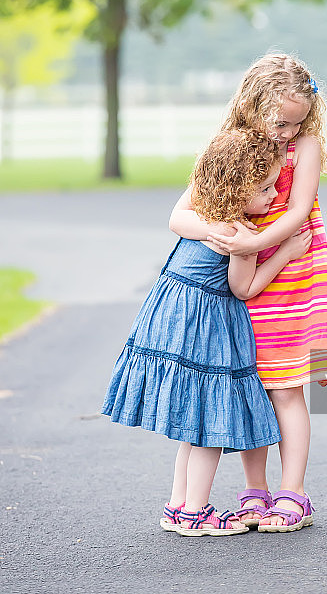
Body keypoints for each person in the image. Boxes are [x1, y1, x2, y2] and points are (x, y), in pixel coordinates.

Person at [101, 128, 312, 537]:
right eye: (265, 188)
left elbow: (176, 225)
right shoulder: (242, 236)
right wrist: (285, 252)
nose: (273, 196)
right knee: (208, 427)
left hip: (168, 318)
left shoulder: (203, 216)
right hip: (206, 327)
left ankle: (178, 505)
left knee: (189, 425)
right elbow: (244, 288)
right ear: (238, 187)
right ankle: (196, 512)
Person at [169, 52, 327, 533]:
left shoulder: (303, 147)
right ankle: (254, 492)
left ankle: (294, 492)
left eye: (295, 123)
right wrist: (219, 233)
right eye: (279, 122)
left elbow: (298, 210)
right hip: (241, 283)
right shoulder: (231, 147)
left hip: (290, 279)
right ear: (253, 103)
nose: (286, 132)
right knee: (252, 386)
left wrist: (256, 242)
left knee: (286, 388)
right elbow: (180, 215)